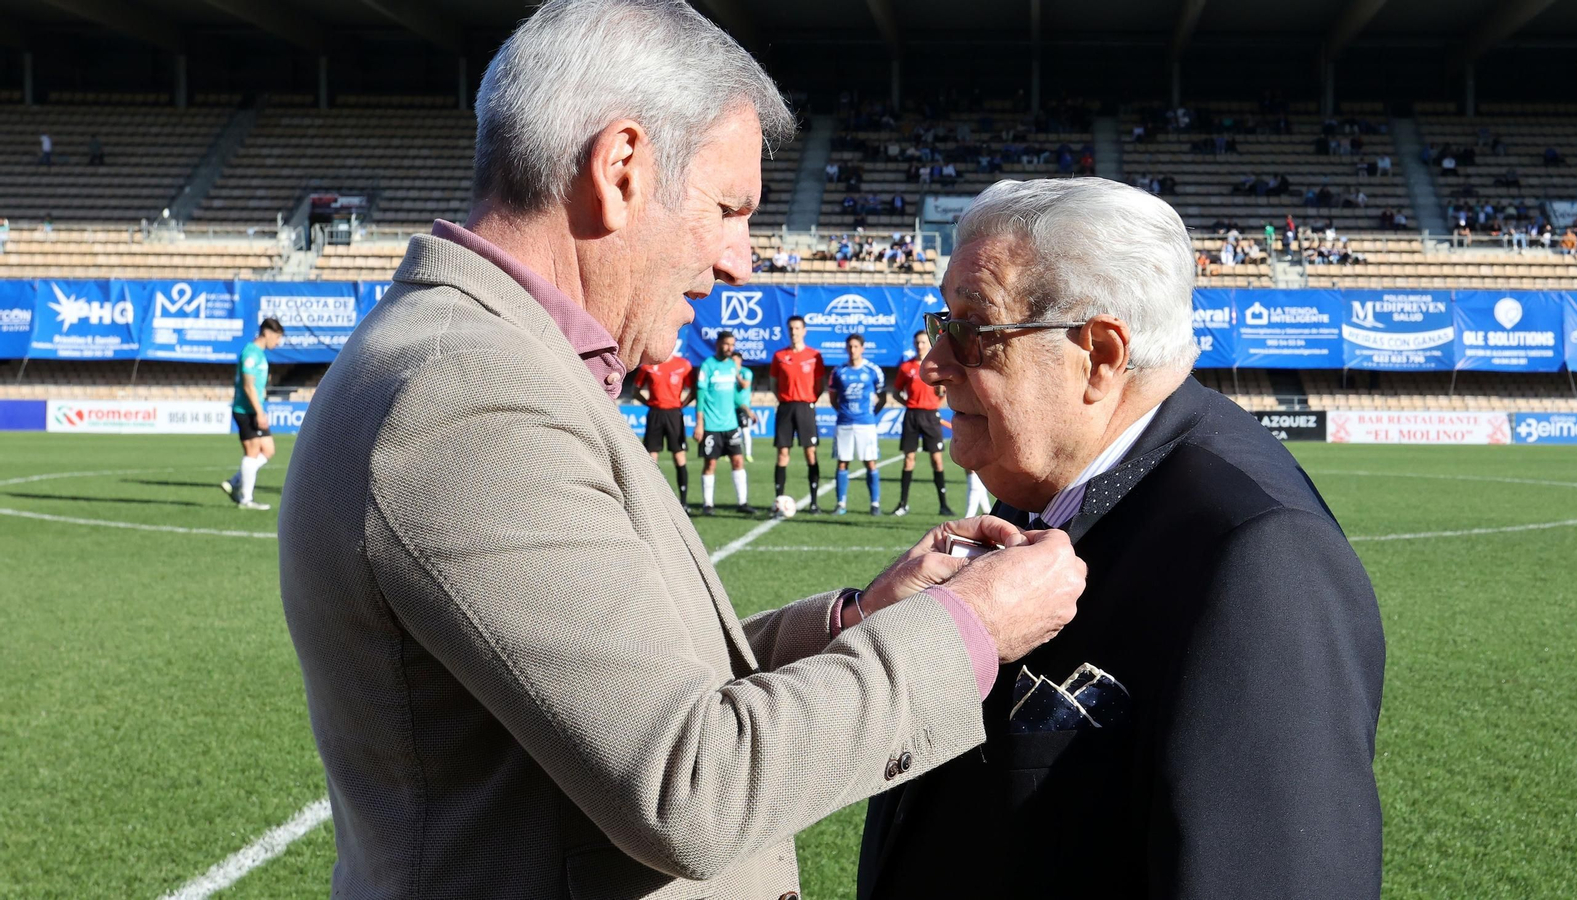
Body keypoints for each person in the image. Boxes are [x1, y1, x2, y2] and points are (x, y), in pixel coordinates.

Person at [278, 4, 1088, 898]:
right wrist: (971, 627)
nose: (743, 260)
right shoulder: (469, 393)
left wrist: (858, 622)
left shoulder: (491, 362)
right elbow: (691, 788)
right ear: (621, 169)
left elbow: (628, 692)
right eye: (729, 209)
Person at [859, 177, 1385, 900]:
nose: (933, 364)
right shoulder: (1048, 484)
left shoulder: (1259, 556)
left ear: (1100, 355)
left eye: (973, 329)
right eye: (941, 322)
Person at [219, 317, 285, 510]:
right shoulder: (250, 353)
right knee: (252, 452)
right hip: (246, 410)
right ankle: (246, 499)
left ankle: (234, 482)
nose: (278, 342)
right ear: (267, 333)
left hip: (254, 410)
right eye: (277, 337)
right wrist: (259, 412)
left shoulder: (260, 355)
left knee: (268, 450)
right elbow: (248, 386)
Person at [893, 330, 954, 516]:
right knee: (909, 459)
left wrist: (936, 402)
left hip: (931, 416)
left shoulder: (936, 366)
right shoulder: (906, 367)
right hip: (912, 415)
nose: (919, 346)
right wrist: (909, 404)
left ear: (928, 344)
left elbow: (944, 390)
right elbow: (896, 392)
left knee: (937, 460)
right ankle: (903, 504)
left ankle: (943, 505)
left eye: (922, 342)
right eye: (917, 343)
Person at [770, 315, 825, 513]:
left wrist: (809, 400)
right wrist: (784, 399)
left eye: (797, 328)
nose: (794, 332)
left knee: (810, 453)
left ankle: (814, 502)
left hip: (805, 407)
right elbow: (774, 384)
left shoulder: (814, 355)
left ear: (804, 331)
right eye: (791, 328)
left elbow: (820, 385)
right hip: (785, 407)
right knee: (782, 454)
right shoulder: (779, 356)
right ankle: (778, 501)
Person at [695, 331, 752, 514]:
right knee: (710, 464)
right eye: (727, 344)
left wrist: (747, 409)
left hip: (731, 425)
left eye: (732, 345)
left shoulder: (732, 366)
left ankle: (742, 503)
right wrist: (699, 423)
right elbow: (700, 396)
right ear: (718, 344)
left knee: (738, 461)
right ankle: (708, 504)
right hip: (711, 425)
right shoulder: (707, 366)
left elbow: (734, 394)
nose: (730, 348)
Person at [828, 332, 885, 514]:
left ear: (862, 348)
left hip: (866, 424)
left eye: (856, 346)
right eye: (850, 346)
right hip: (844, 423)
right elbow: (833, 399)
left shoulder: (873, 370)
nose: (852, 350)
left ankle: (875, 504)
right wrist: (844, 412)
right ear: (846, 348)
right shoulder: (838, 371)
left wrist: (870, 414)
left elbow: (882, 397)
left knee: (870, 463)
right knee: (842, 463)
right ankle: (841, 504)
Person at [634, 350, 694, 509]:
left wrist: (681, 405)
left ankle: (684, 501)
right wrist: (649, 403)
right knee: (651, 457)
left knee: (679, 456)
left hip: (674, 414)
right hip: (655, 414)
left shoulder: (683, 365)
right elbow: (635, 391)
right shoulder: (647, 365)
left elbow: (693, 390)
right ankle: (651, 501)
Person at [731, 350, 756, 460]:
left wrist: (736, 375)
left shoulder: (746, 372)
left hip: (743, 407)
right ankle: (730, 453)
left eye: (735, 360)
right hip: (729, 406)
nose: (733, 362)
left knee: (745, 431)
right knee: (732, 431)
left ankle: (748, 454)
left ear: (740, 360)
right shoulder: (727, 372)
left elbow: (745, 385)